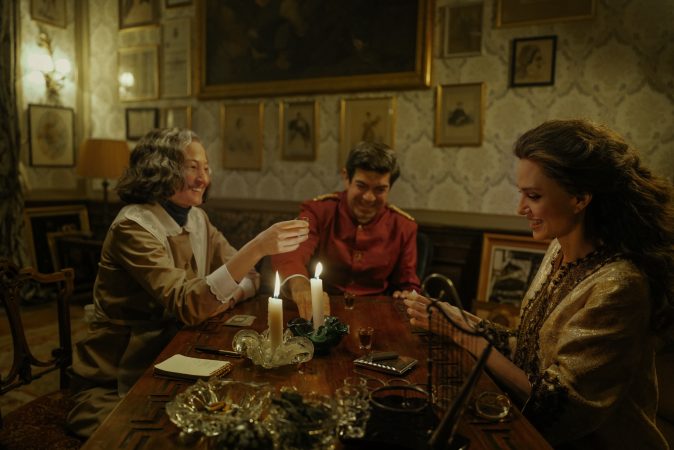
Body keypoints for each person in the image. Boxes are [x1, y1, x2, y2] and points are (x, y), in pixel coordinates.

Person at [403, 119, 674, 449]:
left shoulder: (619, 285)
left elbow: (560, 406)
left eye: (533, 195)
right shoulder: (557, 248)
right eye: (522, 194)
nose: (520, 209)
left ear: (580, 197)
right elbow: (530, 349)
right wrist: (458, 319)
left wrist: (463, 335)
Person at [66, 128, 308, 438]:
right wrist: (257, 247)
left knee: (241, 415)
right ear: (160, 168)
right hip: (121, 376)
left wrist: (220, 297)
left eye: (206, 168)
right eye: (191, 167)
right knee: (173, 437)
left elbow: (251, 277)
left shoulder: (197, 218)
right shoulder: (133, 227)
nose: (203, 178)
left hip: (177, 356)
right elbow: (189, 306)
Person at [272, 141, 420, 320]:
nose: (369, 197)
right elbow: (291, 252)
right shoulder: (319, 211)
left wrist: (405, 295)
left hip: (376, 317)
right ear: (346, 178)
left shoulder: (404, 226)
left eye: (380, 189)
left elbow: (408, 284)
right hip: (319, 312)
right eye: (361, 186)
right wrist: (300, 285)